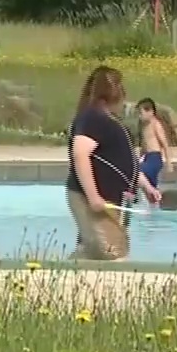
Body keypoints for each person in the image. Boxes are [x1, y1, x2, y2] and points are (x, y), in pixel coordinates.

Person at [66, 66, 144, 261]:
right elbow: (80, 154)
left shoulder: (109, 121)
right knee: (113, 255)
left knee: (91, 252)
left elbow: (123, 161)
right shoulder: (94, 118)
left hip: (111, 201)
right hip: (95, 200)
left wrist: (146, 186)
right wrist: (93, 197)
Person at [135, 97, 173, 200]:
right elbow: (144, 146)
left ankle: (132, 196)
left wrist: (169, 163)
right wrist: (139, 158)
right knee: (151, 190)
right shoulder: (143, 127)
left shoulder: (156, 124)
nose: (139, 116)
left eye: (141, 113)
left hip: (155, 159)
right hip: (147, 158)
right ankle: (154, 207)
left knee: (136, 172)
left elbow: (164, 144)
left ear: (150, 112)